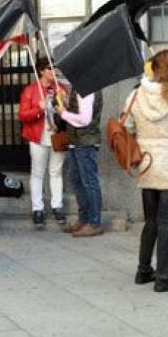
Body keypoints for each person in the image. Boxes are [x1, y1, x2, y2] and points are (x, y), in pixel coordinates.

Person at [124, 49, 168, 292]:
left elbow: (127, 127)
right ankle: (163, 277)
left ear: (153, 68)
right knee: (166, 222)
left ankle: (143, 270)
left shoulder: (136, 94)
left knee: (150, 221)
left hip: (146, 163)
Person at [19, 56, 68, 227]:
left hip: (57, 135)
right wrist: (38, 109)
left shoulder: (60, 88)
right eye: (49, 67)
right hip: (37, 136)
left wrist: (63, 101)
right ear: (41, 71)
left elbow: (68, 112)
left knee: (56, 172)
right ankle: (37, 208)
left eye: (55, 66)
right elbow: (23, 116)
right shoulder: (30, 91)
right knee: (38, 172)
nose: (53, 70)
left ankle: (57, 205)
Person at [60, 82, 104, 238]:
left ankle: (94, 222)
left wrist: (63, 113)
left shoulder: (86, 88)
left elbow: (85, 119)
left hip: (85, 142)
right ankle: (84, 218)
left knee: (89, 183)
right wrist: (66, 102)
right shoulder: (80, 87)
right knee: (76, 180)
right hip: (77, 141)